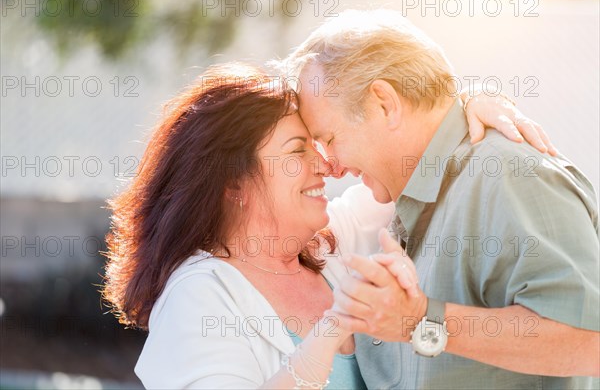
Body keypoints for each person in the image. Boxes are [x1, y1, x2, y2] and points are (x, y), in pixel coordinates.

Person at [102, 62, 555, 389]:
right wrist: (329, 332)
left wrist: (469, 102)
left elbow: (413, 162)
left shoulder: (335, 243)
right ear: (233, 183)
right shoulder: (198, 296)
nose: (324, 165)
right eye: (298, 150)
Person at [284, 9, 600, 389]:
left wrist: (420, 320)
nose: (330, 167)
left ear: (385, 103)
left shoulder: (507, 177)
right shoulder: (410, 201)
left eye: (330, 140)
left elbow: (589, 340)